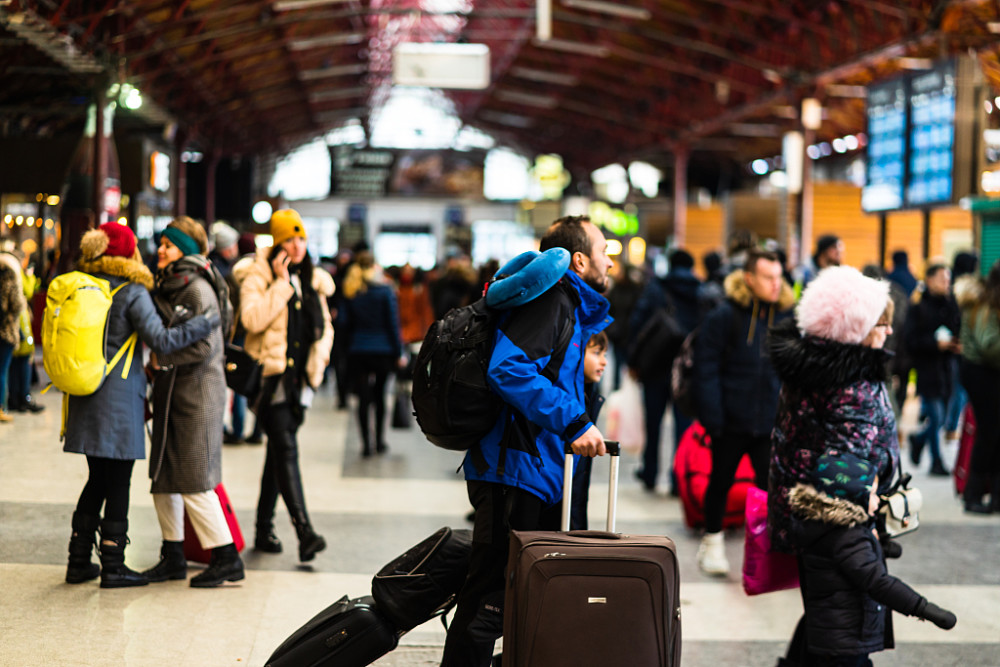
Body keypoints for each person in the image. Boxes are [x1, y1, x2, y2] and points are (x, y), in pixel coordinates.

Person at [441, 215, 613, 667]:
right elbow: (509, 369)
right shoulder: (553, 303)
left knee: (523, 588)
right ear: (579, 259)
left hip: (533, 468)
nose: (609, 262)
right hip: (513, 469)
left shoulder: (569, 307)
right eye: (602, 252)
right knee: (489, 595)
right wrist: (575, 422)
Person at [62, 223, 216, 588]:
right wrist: (201, 325)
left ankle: (78, 559)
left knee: (97, 478)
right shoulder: (132, 291)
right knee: (118, 481)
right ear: (128, 253)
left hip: (84, 392)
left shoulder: (86, 284)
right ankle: (114, 565)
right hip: (117, 400)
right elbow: (161, 340)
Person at [767, 265, 903, 664]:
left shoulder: (815, 367)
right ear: (856, 326)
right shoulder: (852, 383)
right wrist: (867, 519)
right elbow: (842, 469)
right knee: (843, 638)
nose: (888, 331)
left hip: (808, 521)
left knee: (823, 620)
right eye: (882, 323)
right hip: (837, 527)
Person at [142, 216, 245, 588]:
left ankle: (226, 557)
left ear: (183, 250)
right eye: (162, 244)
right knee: (165, 478)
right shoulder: (172, 285)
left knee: (195, 479)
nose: (161, 251)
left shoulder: (196, 288)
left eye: (169, 245)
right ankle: (172, 556)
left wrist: (159, 359)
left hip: (197, 395)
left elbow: (203, 346)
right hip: (175, 393)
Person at [787, 452, 956, 666]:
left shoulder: (825, 525)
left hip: (832, 633)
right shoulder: (849, 537)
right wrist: (924, 608)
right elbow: (879, 583)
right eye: (873, 495)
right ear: (852, 499)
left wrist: (877, 546)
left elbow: (839, 558)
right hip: (846, 638)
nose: (878, 501)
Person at [693, 248, 796, 575]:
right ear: (749, 278)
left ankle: (764, 550)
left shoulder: (785, 318)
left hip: (769, 420)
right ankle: (712, 543)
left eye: (779, 277)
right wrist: (714, 416)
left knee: (771, 488)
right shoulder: (726, 315)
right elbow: (705, 366)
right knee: (720, 481)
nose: (775, 284)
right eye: (768, 277)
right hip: (730, 419)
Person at [239, 208, 334, 561]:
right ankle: (304, 532)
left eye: (301, 239)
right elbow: (251, 320)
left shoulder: (313, 279)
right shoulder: (257, 276)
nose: (296, 246)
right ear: (277, 244)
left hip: (299, 384)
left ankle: (264, 529)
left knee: (276, 455)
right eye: (289, 240)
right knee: (286, 448)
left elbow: (324, 329)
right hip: (270, 381)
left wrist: (318, 366)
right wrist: (280, 284)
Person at [629, 248, 701, 494]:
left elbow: (638, 322)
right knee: (683, 427)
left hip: (655, 365)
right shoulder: (699, 291)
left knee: (653, 422)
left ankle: (650, 473)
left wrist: (633, 360)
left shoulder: (657, 287)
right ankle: (677, 479)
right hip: (685, 370)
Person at [341, 251, 404, 457]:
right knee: (380, 396)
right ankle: (379, 441)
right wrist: (398, 351)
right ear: (373, 267)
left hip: (358, 350)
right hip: (383, 351)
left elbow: (343, 323)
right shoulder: (385, 291)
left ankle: (365, 445)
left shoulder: (352, 291)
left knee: (362, 399)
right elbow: (393, 325)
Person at [903, 263, 960, 476]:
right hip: (927, 369)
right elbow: (910, 340)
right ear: (929, 280)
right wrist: (934, 344)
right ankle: (936, 461)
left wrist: (956, 344)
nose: (946, 283)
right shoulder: (918, 306)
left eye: (948, 279)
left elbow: (958, 328)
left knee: (944, 417)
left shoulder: (951, 304)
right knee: (936, 416)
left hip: (947, 368)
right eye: (942, 279)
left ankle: (918, 439)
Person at [954, 262, 1000, 514]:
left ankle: (993, 495)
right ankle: (972, 495)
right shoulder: (985, 304)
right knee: (989, 433)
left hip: (985, 372)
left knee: (994, 433)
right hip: (981, 372)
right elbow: (989, 346)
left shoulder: (987, 301)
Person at [570, 330, 609, 530]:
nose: (604, 362)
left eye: (604, 354)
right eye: (596, 353)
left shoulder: (589, 396)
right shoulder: (571, 400)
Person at [8, 249, 43, 413]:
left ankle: (15, 398)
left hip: (14, 325)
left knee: (14, 364)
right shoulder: (18, 275)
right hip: (19, 323)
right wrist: (30, 276)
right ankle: (22, 397)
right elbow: (29, 292)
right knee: (23, 361)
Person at [0, 248, 26, 423]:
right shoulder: (9, 274)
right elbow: (17, 304)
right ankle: (1, 408)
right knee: (2, 371)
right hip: (5, 330)